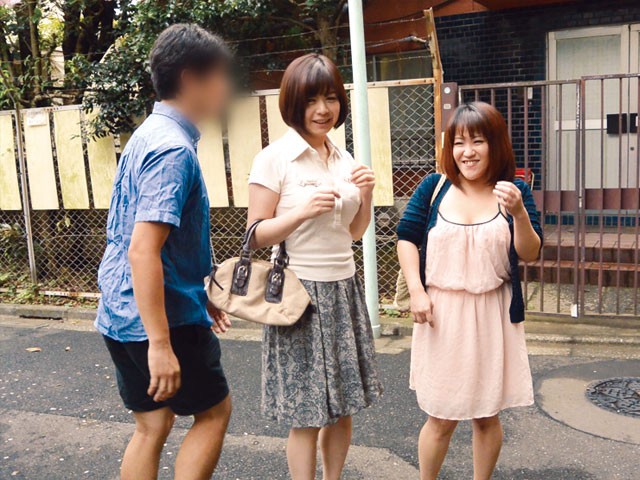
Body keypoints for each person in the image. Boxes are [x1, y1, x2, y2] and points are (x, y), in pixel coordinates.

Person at [95, 24, 233, 480]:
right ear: (192, 79)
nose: (226, 87)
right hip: (161, 318)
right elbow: (143, 250)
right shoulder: (173, 150)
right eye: (220, 75)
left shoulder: (148, 134)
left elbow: (156, 243)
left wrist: (201, 291)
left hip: (119, 310)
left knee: (153, 424)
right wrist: (160, 344)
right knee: (213, 413)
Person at [246, 53, 383, 480]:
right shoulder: (275, 158)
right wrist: (301, 212)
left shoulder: (344, 159)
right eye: (311, 100)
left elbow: (354, 232)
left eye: (331, 98)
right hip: (299, 294)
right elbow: (254, 235)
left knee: (342, 408)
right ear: (293, 103)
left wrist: (366, 196)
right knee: (305, 414)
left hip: (343, 289)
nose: (323, 110)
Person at [397, 102, 542, 480]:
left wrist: (519, 213)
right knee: (440, 417)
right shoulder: (434, 187)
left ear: (496, 144)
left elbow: (531, 252)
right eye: (459, 142)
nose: (467, 151)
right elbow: (406, 237)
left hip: (493, 314)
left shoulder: (514, 191)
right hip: (442, 316)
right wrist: (416, 290)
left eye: (478, 141)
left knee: (486, 415)